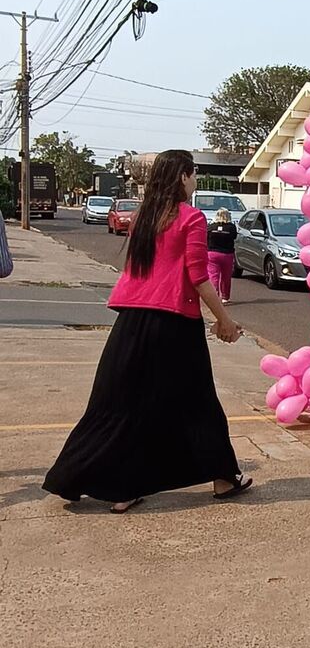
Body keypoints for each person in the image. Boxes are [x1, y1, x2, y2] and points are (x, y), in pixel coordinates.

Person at [43, 150, 252, 513]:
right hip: (173, 322)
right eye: (194, 174)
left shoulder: (143, 218)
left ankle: (113, 486)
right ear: (182, 177)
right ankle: (221, 479)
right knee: (198, 401)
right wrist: (225, 320)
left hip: (132, 320)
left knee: (118, 402)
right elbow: (199, 277)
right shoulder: (191, 218)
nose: (196, 180)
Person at [207, 207, 237, 303]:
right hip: (227, 254)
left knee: (213, 276)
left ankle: (214, 296)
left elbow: (206, 238)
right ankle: (225, 297)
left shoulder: (211, 227)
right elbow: (234, 237)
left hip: (212, 254)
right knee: (226, 277)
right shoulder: (231, 227)